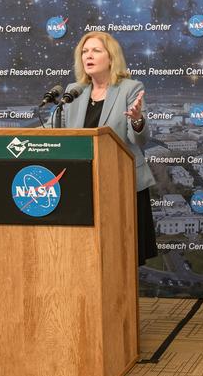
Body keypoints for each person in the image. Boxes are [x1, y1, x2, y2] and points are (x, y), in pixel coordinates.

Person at [56, 31, 156, 265]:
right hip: (80, 186)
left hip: (120, 184)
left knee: (120, 255)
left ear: (111, 58)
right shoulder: (74, 91)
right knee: (85, 257)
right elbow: (58, 133)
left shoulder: (130, 88)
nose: (87, 56)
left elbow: (140, 140)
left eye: (95, 51)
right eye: (84, 52)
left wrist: (137, 119)